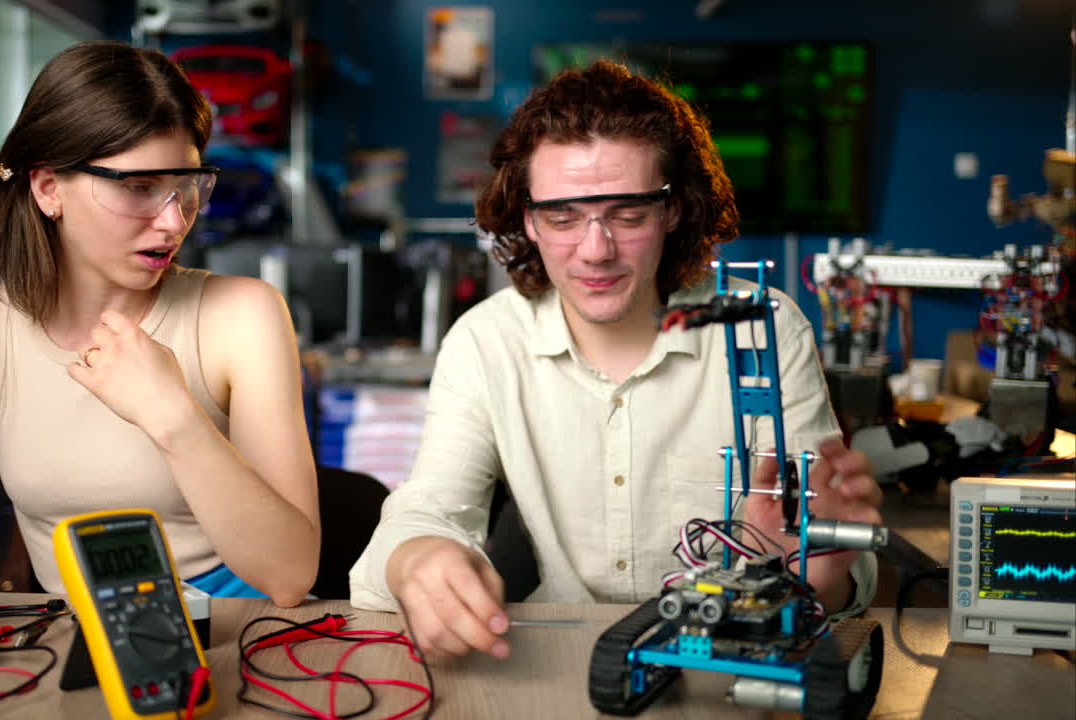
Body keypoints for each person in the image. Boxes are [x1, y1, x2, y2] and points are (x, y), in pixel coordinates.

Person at [348, 60, 883, 657]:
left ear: (674, 209)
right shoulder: (485, 342)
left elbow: (824, 579)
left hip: (728, 655)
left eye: (627, 215)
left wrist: (820, 571)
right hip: (555, 662)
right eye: (563, 217)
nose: (596, 250)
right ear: (529, 219)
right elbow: (428, 509)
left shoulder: (762, 329)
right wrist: (418, 555)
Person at [0, 41, 319, 606]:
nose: (173, 221)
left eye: (187, 186)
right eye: (139, 188)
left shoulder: (244, 315)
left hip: (247, 634)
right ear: (48, 189)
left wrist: (174, 418)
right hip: (77, 651)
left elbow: (290, 575)